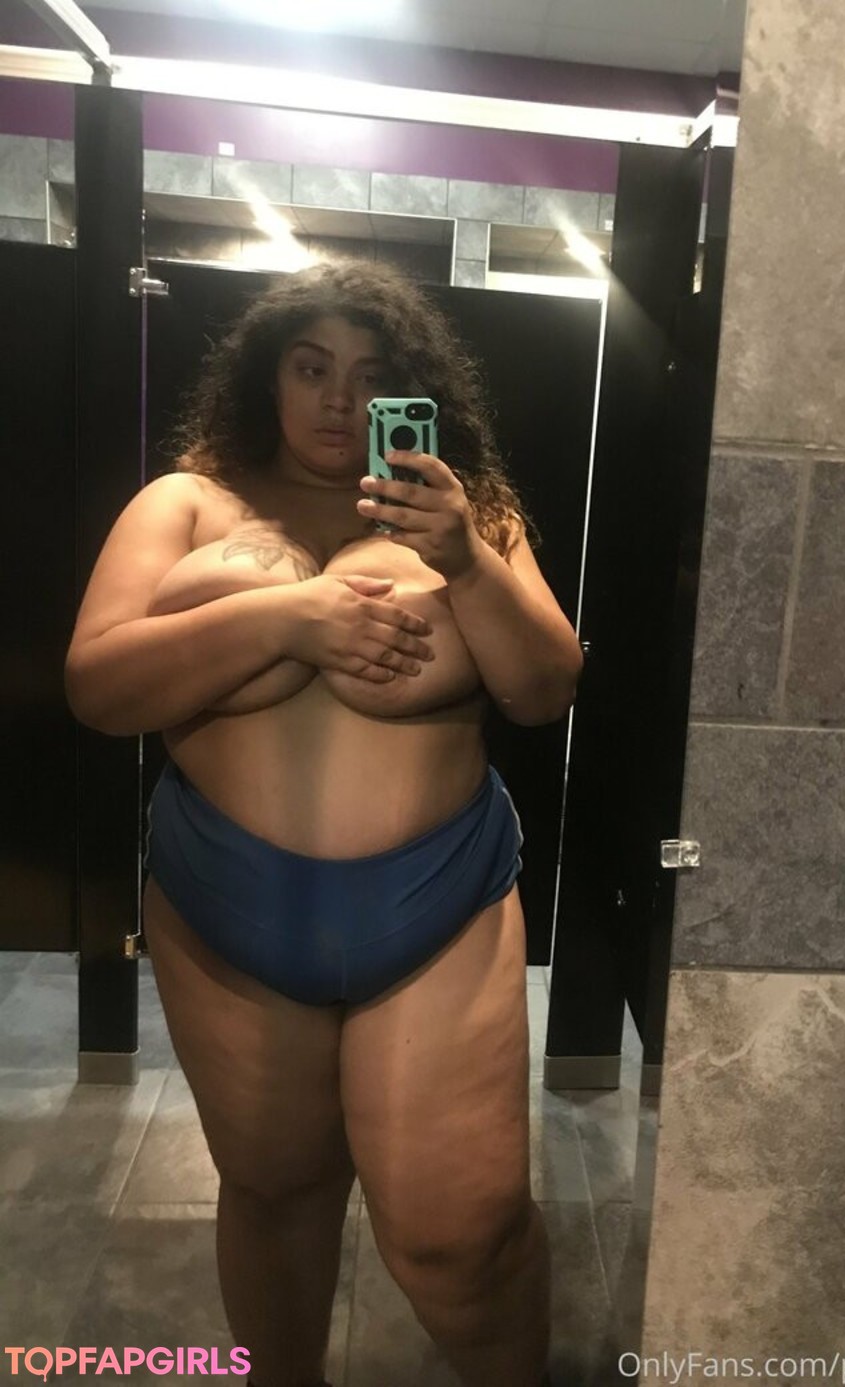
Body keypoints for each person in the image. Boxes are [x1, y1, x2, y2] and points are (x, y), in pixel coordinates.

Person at [64, 259, 583, 1387]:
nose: (340, 400)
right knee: (274, 1193)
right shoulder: (185, 502)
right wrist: (290, 619)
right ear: (269, 375)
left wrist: (462, 558)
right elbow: (98, 686)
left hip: (436, 905)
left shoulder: (468, 512)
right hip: (225, 908)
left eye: (372, 376)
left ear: (414, 393)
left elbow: (546, 687)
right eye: (311, 368)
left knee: (464, 1235)